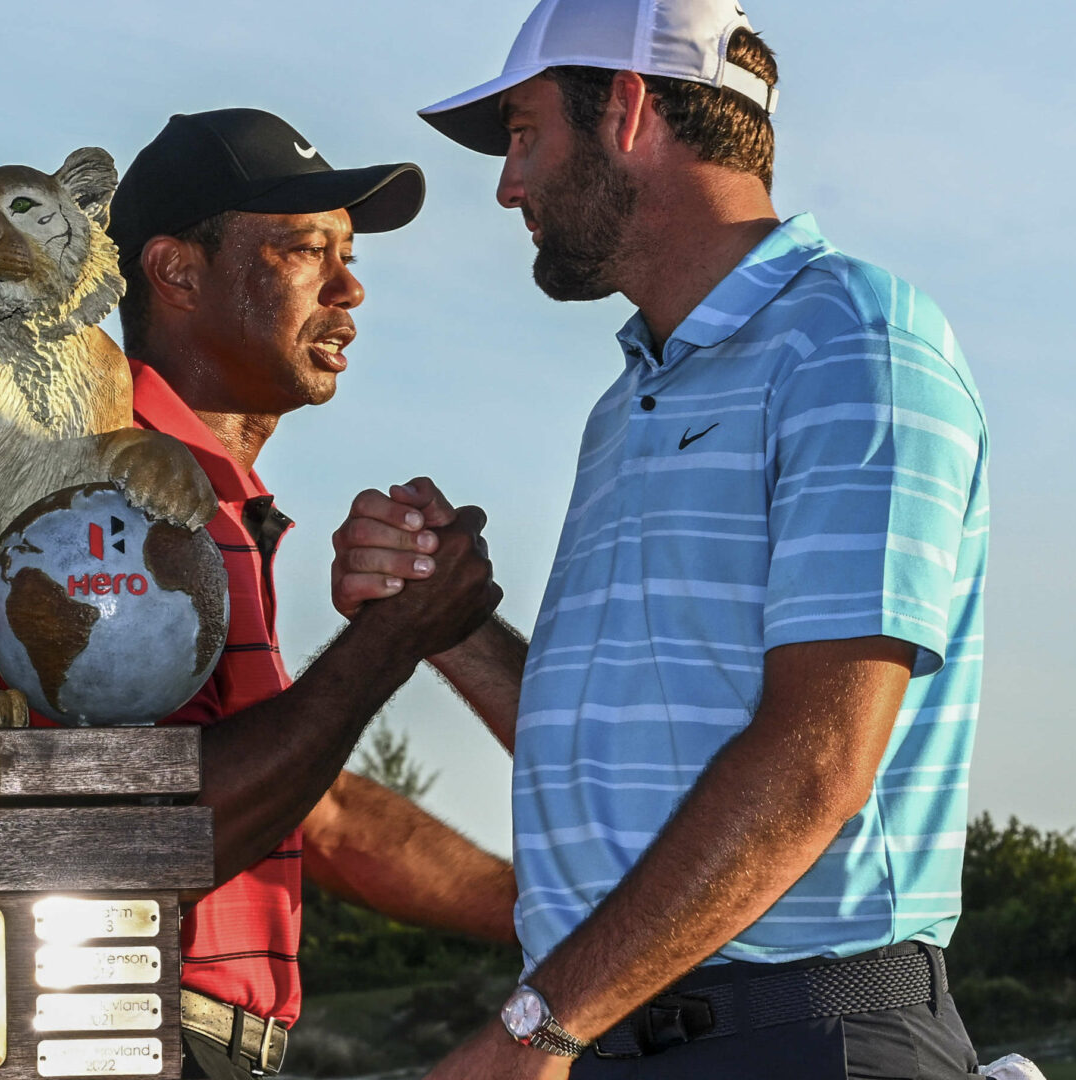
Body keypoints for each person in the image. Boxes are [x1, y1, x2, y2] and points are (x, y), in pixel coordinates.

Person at [332, 2, 991, 1077]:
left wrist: (536, 1024)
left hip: (803, 1038)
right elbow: (626, 759)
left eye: (523, 134)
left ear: (628, 109)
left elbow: (815, 761)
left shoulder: (854, 340)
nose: (508, 185)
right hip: (622, 1031)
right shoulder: (627, 400)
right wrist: (443, 623)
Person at [104, 108, 519, 1080]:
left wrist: (582, 919)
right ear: (176, 271)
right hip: (128, 1035)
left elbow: (314, 809)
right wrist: (395, 638)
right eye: (306, 252)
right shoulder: (107, 496)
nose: (351, 287)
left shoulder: (210, 498)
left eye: (351, 253)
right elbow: (155, 828)